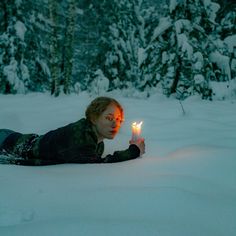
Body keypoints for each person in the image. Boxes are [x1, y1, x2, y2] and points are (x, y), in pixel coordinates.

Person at [0, 97, 145, 165]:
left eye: (119, 120)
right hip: (8, 143)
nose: (115, 124)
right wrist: (133, 151)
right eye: (109, 118)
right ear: (94, 118)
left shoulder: (93, 136)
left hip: (15, 138)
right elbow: (96, 163)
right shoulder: (81, 137)